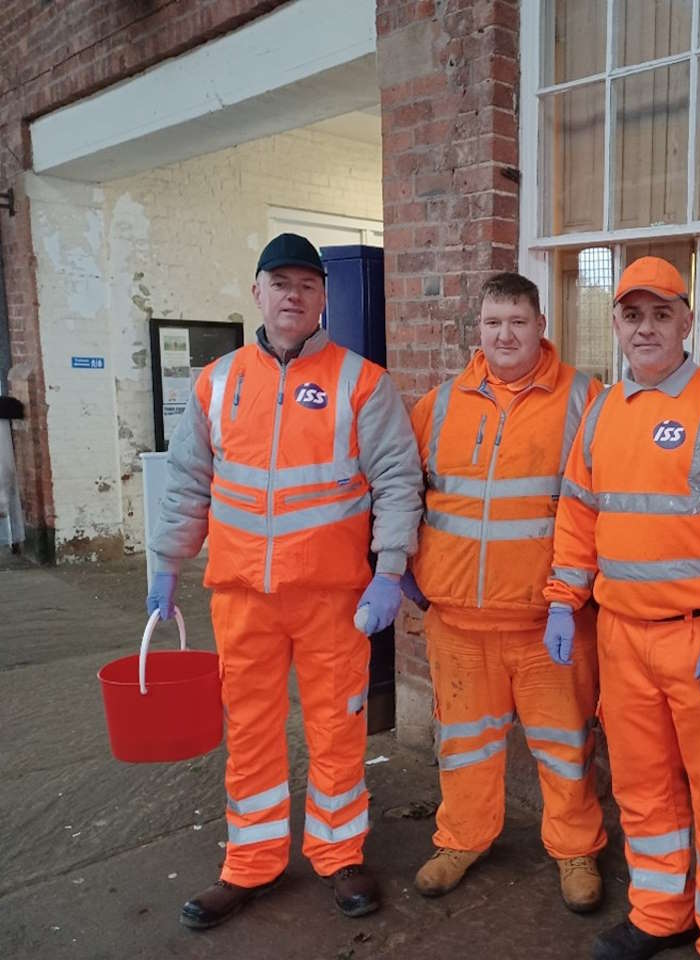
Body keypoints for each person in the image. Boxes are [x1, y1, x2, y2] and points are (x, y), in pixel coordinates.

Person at [147, 233, 423, 929]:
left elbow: (397, 481)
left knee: (338, 728)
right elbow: (187, 482)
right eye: (280, 282)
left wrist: (389, 571)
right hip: (242, 596)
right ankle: (251, 861)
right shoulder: (216, 382)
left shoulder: (362, 381)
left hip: (333, 597)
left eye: (306, 283)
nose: (293, 295)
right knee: (252, 731)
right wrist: (165, 563)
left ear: (323, 296)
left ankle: (339, 854)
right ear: (258, 293)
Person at [544, 257, 700, 960]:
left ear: (687, 320)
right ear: (615, 323)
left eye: (661, 314)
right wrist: (563, 601)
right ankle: (660, 912)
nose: (646, 328)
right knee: (644, 790)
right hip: (621, 637)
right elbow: (577, 517)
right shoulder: (603, 410)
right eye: (632, 315)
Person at [400, 272, 607, 912]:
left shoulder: (585, 400)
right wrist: (405, 575)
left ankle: (576, 850)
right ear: (478, 329)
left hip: (551, 624)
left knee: (565, 747)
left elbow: (606, 504)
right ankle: (463, 837)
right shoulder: (437, 406)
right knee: (463, 746)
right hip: (458, 622)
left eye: (517, 322)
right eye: (493, 323)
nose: (504, 335)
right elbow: (405, 495)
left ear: (541, 325)